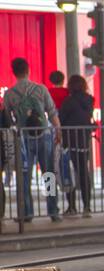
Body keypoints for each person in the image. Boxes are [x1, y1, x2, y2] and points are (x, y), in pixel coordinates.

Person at [3, 57, 61, 222]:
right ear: (28, 70)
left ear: (14, 73)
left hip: (23, 139)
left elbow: (8, 119)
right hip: (44, 136)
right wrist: (58, 130)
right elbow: (52, 112)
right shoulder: (40, 89)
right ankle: (53, 211)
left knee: (24, 177)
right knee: (48, 174)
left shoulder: (9, 94)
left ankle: (27, 213)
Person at [59, 75, 94, 216]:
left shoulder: (68, 101)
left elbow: (61, 119)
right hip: (84, 141)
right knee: (84, 173)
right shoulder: (90, 100)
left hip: (70, 142)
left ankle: (72, 206)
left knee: (70, 174)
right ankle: (87, 207)